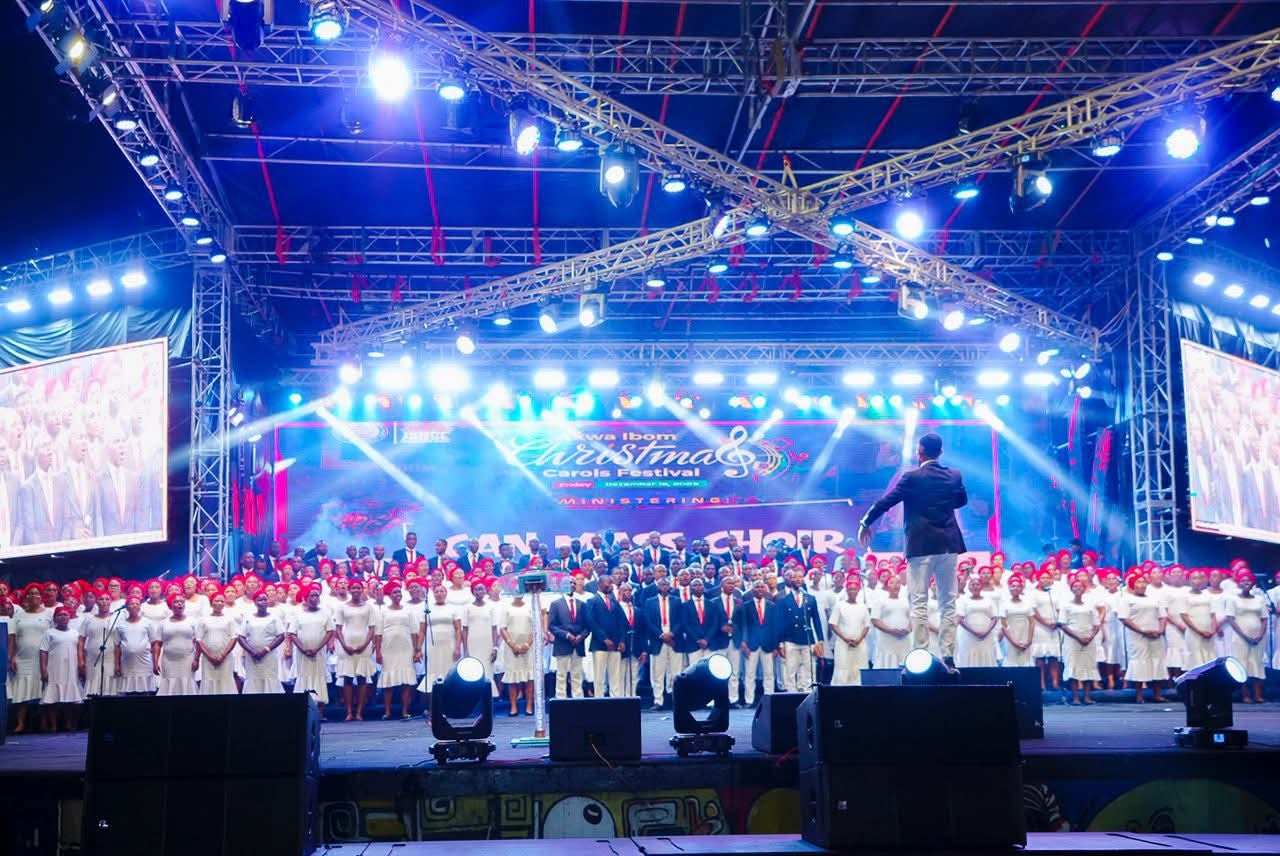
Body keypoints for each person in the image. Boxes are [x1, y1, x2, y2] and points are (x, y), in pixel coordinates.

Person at [858, 432, 967, 669]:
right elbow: (961, 501)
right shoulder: (954, 475)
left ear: (920, 452)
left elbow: (886, 501)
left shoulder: (912, 477)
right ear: (941, 452)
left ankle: (921, 652)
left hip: (921, 544)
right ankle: (948, 654)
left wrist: (865, 522)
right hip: (948, 544)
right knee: (948, 601)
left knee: (918, 600)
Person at [1117, 572, 1167, 703]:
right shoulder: (1126, 599)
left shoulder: (1154, 598)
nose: (1142, 584)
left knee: (1157, 661)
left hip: (1155, 634)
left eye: (1144, 582)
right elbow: (1124, 618)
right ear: (1132, 585)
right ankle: (1139, 695)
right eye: (1139, 582)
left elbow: (1163, 615)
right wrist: (1142, 631)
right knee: (1140, 662)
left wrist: (1160, 630)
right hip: (1137, 636)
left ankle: (1157, 694)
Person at [376, 580, 422, 719]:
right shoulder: (383, 611)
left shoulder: (408, 610)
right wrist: (378, 651)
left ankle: (405, 710)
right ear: (389, 595)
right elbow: (378, 633)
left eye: (399, 592)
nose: (397, 594)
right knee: (388, 681)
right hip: (388, 648)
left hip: (406, 648)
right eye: (394, 592)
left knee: (406, 682)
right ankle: (387, 711)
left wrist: (417, 650)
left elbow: (414, 631)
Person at [335, 578, 378, 720]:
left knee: (362, 678)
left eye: (358, 588)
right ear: (349, 590)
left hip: (363, 645)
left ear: (362, 590)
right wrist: (344, 645)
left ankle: (359, 711)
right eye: (353, 588)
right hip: (347, 645)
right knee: (347, 678)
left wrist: (365, 644)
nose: (356, 590)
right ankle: (349, 712)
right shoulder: (342, 607)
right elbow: (338, 629)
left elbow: (372, 628)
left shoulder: (369, 607)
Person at [289, 583, 335, 715]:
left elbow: (330, 632)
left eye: (316, 596)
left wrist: (317, 648)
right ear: (305, 598)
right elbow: (292, 633)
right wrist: (303, 648)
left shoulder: (325, 614)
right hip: (302, 654)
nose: (314, 598)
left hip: (319, 653)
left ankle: (320, 712)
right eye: (311, 596)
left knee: (319, 677)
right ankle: (302, 711)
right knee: (303, 677)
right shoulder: (298, 614)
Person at [1057, 572, 1102, 705]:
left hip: (1088, 639)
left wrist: (1090, 637)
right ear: (1071, 589)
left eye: (1080, 586)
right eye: (1075, 586)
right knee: (1073, 665)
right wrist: (1078, 637)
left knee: (1088, 666)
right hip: (1072, 639)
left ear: (1084, 589)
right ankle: (1076, 697)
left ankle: (1087, 697)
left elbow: (1096, 624)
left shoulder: (1090, 605)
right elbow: (1063, 625)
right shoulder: (1066, 605)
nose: (1078, 588)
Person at [1222, 570, 1267, 703]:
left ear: (1253, 583)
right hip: (1240, 636)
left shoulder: (1259, 599)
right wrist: (1244, 636)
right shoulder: (1233, 599)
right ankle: (1245, 695)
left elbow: (1264, 618)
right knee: (1242, 664)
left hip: (1258, 637)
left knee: (1257, 663)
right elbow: (1230, 619)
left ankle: (1257, 695)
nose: (1246, 583)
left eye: (1249, 580)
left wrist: (1261, 635)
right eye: (1243, 581)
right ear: (1238, 584)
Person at [776, 570, 825, 691]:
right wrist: (780, 643)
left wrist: (820, 640)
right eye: (794, 577)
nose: (798, 579)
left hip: (807, 639)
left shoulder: (810, 599)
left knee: (809, 670)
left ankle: (808, 693)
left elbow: (816, 620)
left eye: (800, 577)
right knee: (790, 670)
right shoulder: (784, 600)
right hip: (790, 640)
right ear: (790, 580)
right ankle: (791, 694)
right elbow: (780, 624)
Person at [420, 584, 463, 715]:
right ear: (433, 594)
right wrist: (418, 648)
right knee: (433, 674)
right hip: (433, 647)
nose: (439, 593)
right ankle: (433, 709)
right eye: (437, 591)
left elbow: (458, 629)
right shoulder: (427, 609)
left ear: (446, 593)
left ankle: (449, 708)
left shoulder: (453, 608)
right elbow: (422, 631)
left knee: (448, 674)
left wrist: (457, 647)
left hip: (449, 646)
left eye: (442, 591)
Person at [641, 576, 682, 710]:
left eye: (666, 584)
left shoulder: (677, 601)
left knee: (676, 671)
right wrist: (661, 635)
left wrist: (672, 634)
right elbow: (648, 621)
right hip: (657, 639)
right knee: (657, 672)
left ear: (669, 586)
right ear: (657, 586)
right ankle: (658, 700)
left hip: (674, 639)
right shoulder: (649, 602)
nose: (664, 586)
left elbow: (681, 620)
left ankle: (675, 699)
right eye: (662, 584)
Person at [40, 606, 84, 730]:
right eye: (60, 615)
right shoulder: (49, 633)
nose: (63, 617)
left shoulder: (75, 633)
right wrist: (43, 670)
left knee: (69, 698)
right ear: (55, 618)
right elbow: (43, 652)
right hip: (54, 668)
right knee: (52, 698)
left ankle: (68, 724)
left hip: (71, 668)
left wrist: (81, 666)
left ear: (69, 617)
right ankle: (53, 725)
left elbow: (80, 651)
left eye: (65, 615)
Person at [547, 575, 588, 699]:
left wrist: (581, 636)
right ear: (562, 586)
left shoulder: (582, 604)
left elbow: (587, 626)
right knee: (561, 675)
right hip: (562, 643)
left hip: (578, 644)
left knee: (577, 675)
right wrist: (566, 635)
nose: (572, 585)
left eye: (574, 583)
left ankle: (578, 699)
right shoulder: (555, 604)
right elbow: (551, 625)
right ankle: (561, 699)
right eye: (569, 583)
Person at [238, 590, 285, 695]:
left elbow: (281, 635)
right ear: (255, 602)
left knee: (270, 677)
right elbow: (241, 636)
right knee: (253, 678)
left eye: (265, 599)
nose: (263, 602)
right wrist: (251, 651)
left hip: (269, 655)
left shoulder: (274, 618)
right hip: (252, 656)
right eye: (260, 600)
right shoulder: (248, 618)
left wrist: (266, 650)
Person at [585, 575, 624, 698]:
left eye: (611, 583)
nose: (610, 585)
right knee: (599, 676)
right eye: (608, 583)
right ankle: (599, 700)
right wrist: (604, 639)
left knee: (615, 675)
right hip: (599, 644)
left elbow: (622, 622)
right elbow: (591, 622)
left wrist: (622, 640)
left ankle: (615, 699)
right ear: (600, 584)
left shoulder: (614, 601)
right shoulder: (592, 601)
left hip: (615, 644)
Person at [828, 577, 871, 686]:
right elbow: (833, 624)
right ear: (846, 591)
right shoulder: (840, 605)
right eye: (850, 589)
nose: (852, 591)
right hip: (843, 643)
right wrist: (845, 639)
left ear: (858, 591)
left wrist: (859, 640)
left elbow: (867, 625)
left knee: (859, 667)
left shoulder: (863, 606)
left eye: (854, 589)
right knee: (843, 668)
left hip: (859, 644)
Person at [499, 590, 536, 716]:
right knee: (512, 678)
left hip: (528, 647)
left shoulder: (530, 607)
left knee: (529, 678)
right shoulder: (506, 608)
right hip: (511, 648)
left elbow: (536, 627)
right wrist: (512, 645)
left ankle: (529, 706)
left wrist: (527, 644)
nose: (518, 593)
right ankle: (513, 707)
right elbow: (502, 628)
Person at [460, 581, 499, 699]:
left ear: (485, 591)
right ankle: (473, 698)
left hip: (487, 644)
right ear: (473, 592)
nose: (479, 592)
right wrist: (465, 649)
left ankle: (487, 700)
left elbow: (494, 628)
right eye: (476, 589)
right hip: (472, 644)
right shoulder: (467, 608)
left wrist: (495, 647)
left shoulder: (491, 607)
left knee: (487, 671)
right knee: (473, 671)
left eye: (481, 589)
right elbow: (464, 629)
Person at [78, 591, 121, 698]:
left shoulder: (116, 618)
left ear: (111, 602)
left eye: (107, 599)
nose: (104, 602)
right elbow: (81, 640)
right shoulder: (89, 619)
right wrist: (81, 660)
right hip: (93, 659)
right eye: (101, 599)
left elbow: (119, 643)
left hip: (111, 659)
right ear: (96, 602)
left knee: (110, 691)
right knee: (93, 691)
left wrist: (118, 663)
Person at [115, 595, 159, 694]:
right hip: (127, 663)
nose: (134, 605)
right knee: (129, 692)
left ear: (140, 607)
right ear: (127, 607)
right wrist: (117, 664)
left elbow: (154, 643)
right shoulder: (120, 624)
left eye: (137, 604)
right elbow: (117, 646)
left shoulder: (147, 622)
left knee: (145, 691)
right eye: (131, 603)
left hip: (144, 662)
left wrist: (155, 663)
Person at [156, 595, 198, 696]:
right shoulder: (163, 623)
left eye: (182, 602)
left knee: (187, 684)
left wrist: (196, 659)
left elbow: (198, 642)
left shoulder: (192, 621)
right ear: (170, 605)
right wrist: (155, 662)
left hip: (187, 659)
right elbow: (158, 644)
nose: (180, 604)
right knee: (170, 685)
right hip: (169, 660)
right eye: (176, 602)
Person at [956, 576, 1000, 668]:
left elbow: (994, 618)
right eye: (973, 584)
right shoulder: (963, 600)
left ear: (982, 586)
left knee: (986, 655)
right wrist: (974, 632)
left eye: (978, 584)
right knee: (969, 656)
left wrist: (986, 631)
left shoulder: (989, 600)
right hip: (968, 635)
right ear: (969, 587)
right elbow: (960, 618)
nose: (975, 586)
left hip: (987, 635)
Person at [870, 572, 912, 668]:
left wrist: (908, 629)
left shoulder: (906, 601)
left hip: (904, 639)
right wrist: (891, 631)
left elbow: (913, 618)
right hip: (887, 639)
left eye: (897, 583)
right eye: (892, 583)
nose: (895, 585)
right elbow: (875, 619)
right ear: (887, 586)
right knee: (887, 661)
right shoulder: (880, 601)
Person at [1180, 569, 1219, 670]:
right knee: (1195, 657)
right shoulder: (1184, 596)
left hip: (1209, 632)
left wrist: (1213, 630)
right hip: (1194, 632)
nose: (1197, 581)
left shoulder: (1208, 595)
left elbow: (1213, 614)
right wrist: (1199, 631)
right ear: (1189, 580)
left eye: (1199, 578)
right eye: (1194, 578)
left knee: (1209, 657)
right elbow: (1184, 615)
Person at [998, 573, 1035, 668]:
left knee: (1025, 661)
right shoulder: (1004, 604)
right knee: (1011, 661)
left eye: (1018, 586)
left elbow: (1032, 622)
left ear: (1022, 588)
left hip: (1025, 635)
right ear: (1009, 588)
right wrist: (1014, 642)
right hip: (1011, 637)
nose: (1016, 588)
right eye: (1013, 586)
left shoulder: (1027, 603)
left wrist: (1029, 640)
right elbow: (1004, 626)